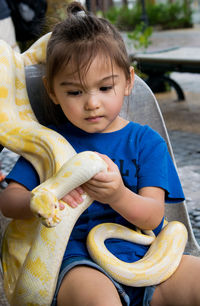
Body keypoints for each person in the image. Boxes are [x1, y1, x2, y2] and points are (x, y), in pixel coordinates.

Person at [0, 2, 200, 305]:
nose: (92, 103)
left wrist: (117, 194)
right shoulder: (48, 144)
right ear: (52, 91)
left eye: (105, 88)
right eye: (75, 92)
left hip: (147, 256)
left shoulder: (146, 142)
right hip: (77, 260)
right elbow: (8, 203)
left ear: (128, 81)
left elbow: (154, 214)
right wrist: (40, 199)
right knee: (99, 300)